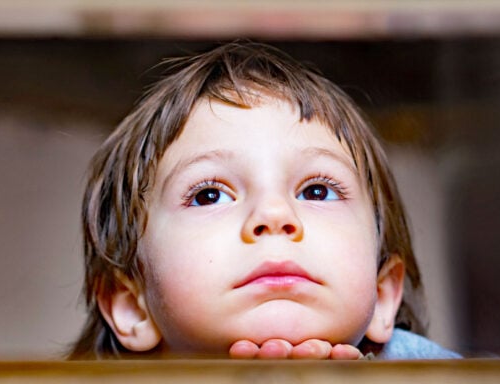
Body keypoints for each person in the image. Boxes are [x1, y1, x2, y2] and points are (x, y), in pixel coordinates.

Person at [68, 42, 460, 360]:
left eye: (316, 191)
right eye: (209, 195)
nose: (274, 215)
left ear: (383, 298)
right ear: (131, 307)